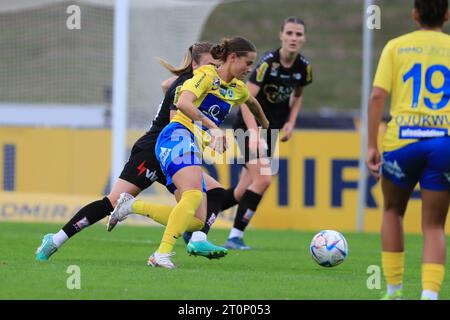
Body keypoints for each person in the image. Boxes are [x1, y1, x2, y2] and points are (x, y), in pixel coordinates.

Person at [35, 42, 231, 261]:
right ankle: (55, 240)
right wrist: (210, 131)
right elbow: (175, 124)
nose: (214, 69)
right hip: (156, 150)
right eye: (210, 64)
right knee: (111, 202)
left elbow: (166, 85)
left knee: (209, 199)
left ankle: (195, 237)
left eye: (217, 65)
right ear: (195, 64)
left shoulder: (194, 83)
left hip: (171, 152)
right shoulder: (186, 85)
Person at [114, 36, 270, 269]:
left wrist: (265, 127)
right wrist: (214, 128)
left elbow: (252, 103)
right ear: (233, 58)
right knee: (194, 195)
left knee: (196, 222)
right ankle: (161, 254)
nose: (250, 68)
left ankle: (130, 207)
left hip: (192, 143)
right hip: (175, 135)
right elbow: (185, 103)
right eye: (247, 63)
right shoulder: (207, 75)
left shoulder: (237, 88)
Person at [367, 0, 450, 300]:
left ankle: (393, 291)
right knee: (434, 224)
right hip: (443, 142)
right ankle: (429, 295)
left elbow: (377, 96)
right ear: (447, 14)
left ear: (415, 14)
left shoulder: (396, 46)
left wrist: (371, 145)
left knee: (392, 211)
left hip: (401, 141)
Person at [222, 17, 313, 250]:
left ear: (304, 38)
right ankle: (234, 237)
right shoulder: (266, 64)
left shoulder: (304, 67)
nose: (294, 38)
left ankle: (201, 217)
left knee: (243, 191)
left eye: (298, 34)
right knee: (263, 179)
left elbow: (299, 95)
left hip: (271, 131)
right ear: (281, 35)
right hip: (247, 126)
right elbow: (245, 99)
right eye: (290, 33)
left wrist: (291, 122)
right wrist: (253, 133)